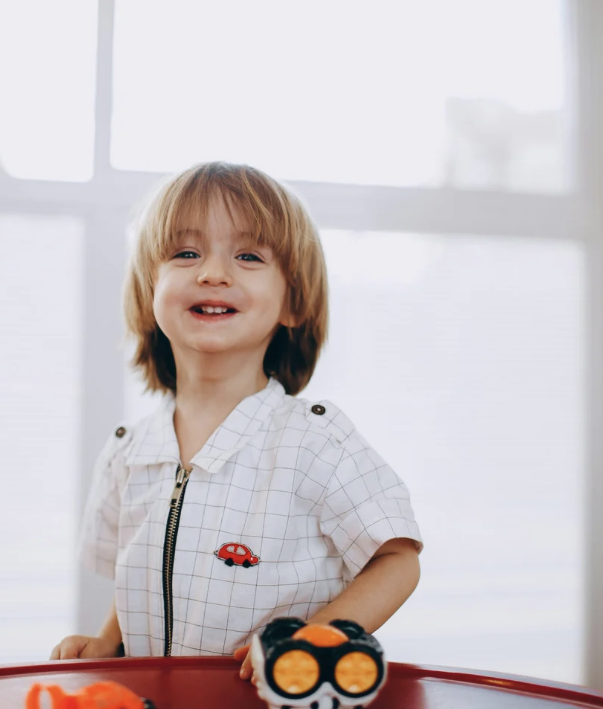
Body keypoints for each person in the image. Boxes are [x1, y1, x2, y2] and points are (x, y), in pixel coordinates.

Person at [50, 162, 423, 680]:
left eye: (248, 256)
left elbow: (398, 559)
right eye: (186, 253)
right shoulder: (126, 453)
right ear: (150, 292)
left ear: (292, 303)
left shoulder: (315, 441)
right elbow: (138, 570)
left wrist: (315, 638)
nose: (213, 273)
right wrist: (107, 641)